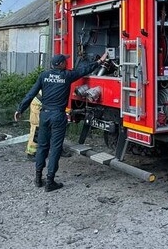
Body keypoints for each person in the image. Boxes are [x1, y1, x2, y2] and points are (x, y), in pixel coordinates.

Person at [14, 51, 107, 191]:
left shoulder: (44, 76)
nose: (67, 62)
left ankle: (38, 179)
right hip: (58, 116)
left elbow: (31, 93)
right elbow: (84, 70)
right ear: (61, 64)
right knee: (56, 148)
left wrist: (20, 109)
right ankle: (50, 181)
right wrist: (100, 61)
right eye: (65, 61)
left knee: (42, 147)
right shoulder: (67, 76)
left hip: (44, 115)